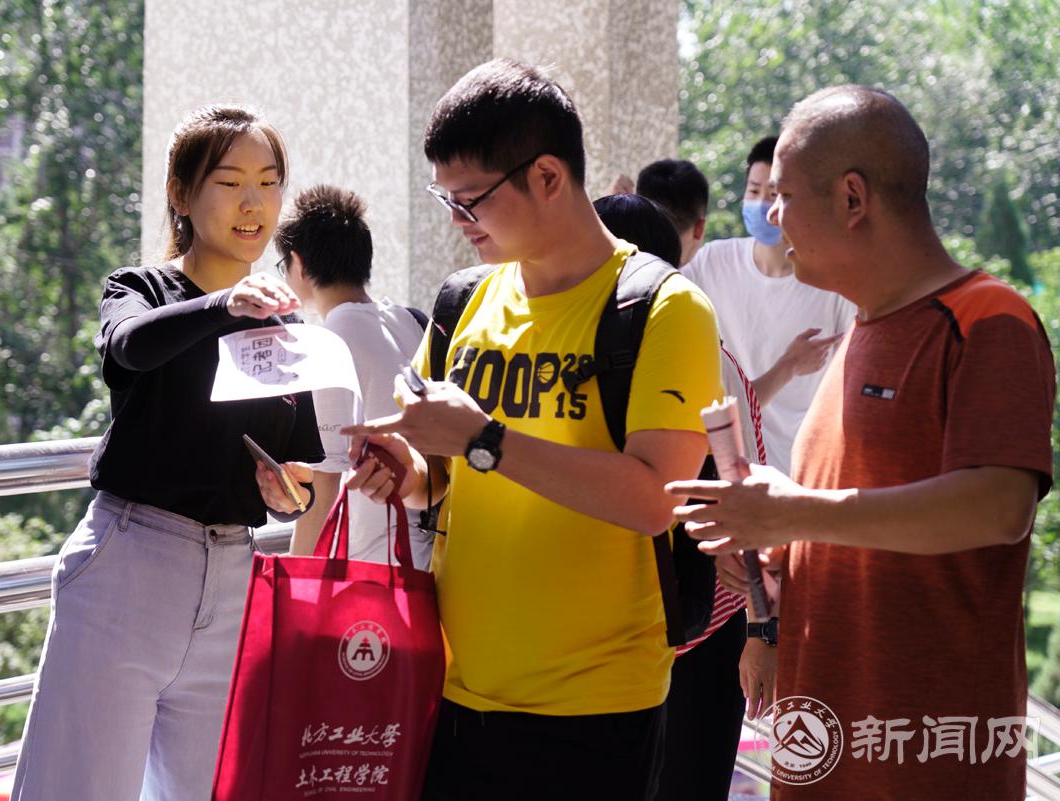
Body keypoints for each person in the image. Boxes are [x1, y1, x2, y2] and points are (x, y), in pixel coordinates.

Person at [342, 60, 722, 800]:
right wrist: (402, 469)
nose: (458, 220)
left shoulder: (665, 308)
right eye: (445, 198)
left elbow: (655, 499)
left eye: (470, 199)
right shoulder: (463, 300)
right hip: (451, 691)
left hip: (594, 710)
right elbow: (436, 476)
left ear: (548, 176)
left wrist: (485, 440)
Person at [668, 85, 1055, 800]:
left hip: (925, 762)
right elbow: (854, 525)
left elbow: (1000, 506)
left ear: (853, 198)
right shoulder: (857, 336)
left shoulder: (987, 320)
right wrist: (772, 556)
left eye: (785, 195)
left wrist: (792, 512)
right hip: (824, 747)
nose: (772, 216)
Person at [11, 105, 323, 801]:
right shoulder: (141, 289)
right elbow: (129, 346)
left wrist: (287, 493)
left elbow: (296, 471)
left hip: (233, 577)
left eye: (269, 182)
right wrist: (225, 305)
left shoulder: (286, 322)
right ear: (181, 194)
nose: (253, 203)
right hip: (129, 566)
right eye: (230, 182)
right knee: (78, 789)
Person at [595, 192, 773, 801]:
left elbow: (751, 507)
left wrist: (761, 633)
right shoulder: (591, 355)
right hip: (621, 635)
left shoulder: (703, 358)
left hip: (699, 628)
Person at [277, 184, 433, 568]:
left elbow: (326, 481)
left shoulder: (332, 339)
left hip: (375, 563)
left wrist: (296, 580)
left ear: (298, 263)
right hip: (427, 550)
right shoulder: (409, 320)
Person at [682, 136, 855, 473]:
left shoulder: (833, 281)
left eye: (775, 194)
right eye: (753, 191)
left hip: (803, 468)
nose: (763, 205)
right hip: (734, 466)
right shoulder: (712, 262)